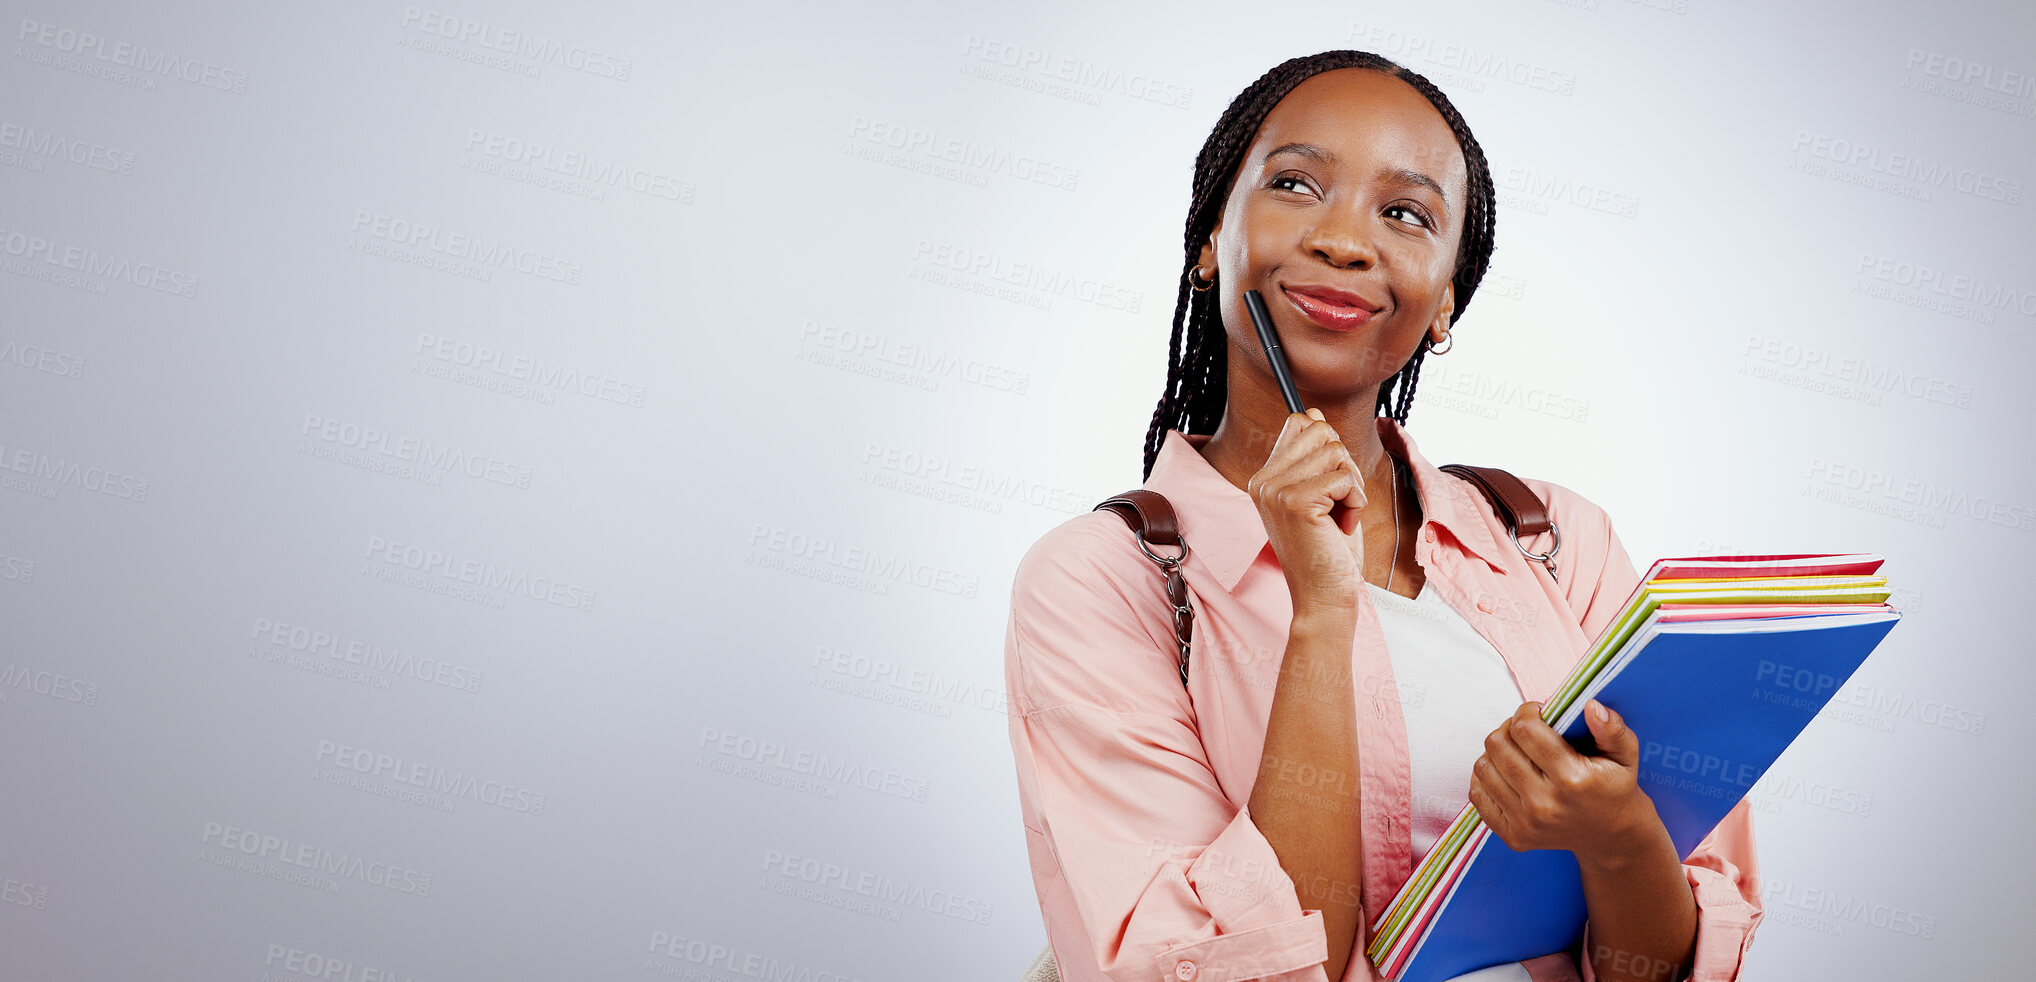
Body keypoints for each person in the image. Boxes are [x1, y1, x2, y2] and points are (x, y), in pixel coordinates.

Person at [1003, 50, 1761, 982]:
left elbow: (1668, 970)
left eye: (1403, 214)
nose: (1344, 241)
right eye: (1294, 184)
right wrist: (1322, 613)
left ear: (1446, 298)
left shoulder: (1560, 546)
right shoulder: (1104, 581)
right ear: (1209, 239)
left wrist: (1618, 842)